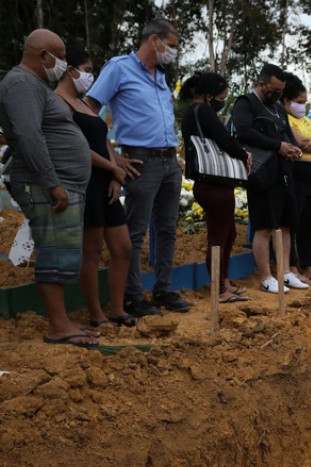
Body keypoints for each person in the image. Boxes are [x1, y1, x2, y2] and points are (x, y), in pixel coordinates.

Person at [85, 17, 191, 317]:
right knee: (134, 232)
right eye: (170, 46)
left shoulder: (159, 76)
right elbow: (89, 112)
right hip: (140, 161)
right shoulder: (119, 68)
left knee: (167, 229)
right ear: (154, 40)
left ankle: (162, 289)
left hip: (169, 161)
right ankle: (132, 297)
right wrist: (113, 155)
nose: (173, 52)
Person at [0, 30, 98, 346]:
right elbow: (29, 136)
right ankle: (58, 326)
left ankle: (62, 322)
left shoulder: (33, 85)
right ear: (44, 56)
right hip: (44, 184)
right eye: (60, 58)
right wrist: (53, 182)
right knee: (54, 251)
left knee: (62, 252)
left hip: (58, 183)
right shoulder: (20, 84)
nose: (63, 66)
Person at [53, 48, 135, 327]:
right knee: (92, 251)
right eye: (87, 70)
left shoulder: (85, 104)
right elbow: (76, 148)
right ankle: (96, 315)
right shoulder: (58, 103)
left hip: (106, 183)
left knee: (123, 248)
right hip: (83, 183)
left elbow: (104, 141)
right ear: (69, 70)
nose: (90, 76)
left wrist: (115, 175)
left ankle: (117, 308)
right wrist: (112, 168)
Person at [231, 63, 307, 294]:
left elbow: (287, 135)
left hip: (284, 172)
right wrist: (278, 146)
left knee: (285, 225)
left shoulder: (278, 108)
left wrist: (294, 149)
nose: (277, 94)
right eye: (274, 90)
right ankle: (266, 276)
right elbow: (244, 131)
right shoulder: (246, 103)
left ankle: (285, 272)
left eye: (280, 91)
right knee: (264, 226)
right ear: (262, 84)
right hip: (261, 173)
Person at [178, 71, 251, 303]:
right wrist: (244, 154)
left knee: (227, 233)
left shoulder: (193, 111)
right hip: (214, 184)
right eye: (222, 96)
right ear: (210, 96)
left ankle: (224, 281)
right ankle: (218, 288)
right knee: (219, 237)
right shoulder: (203, 111)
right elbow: (224, 140)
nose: (223, 101)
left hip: (210, 183)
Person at [282, 72, 311, 286]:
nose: (303, 106)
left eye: (305, 102)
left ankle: (309, 266)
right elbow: (298, 141)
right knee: (294, 222)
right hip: (296, 175)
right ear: (287, 101)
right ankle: (292, 267)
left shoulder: (306, 119)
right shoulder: (285, 118)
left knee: (307, 223)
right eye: (299, 102)